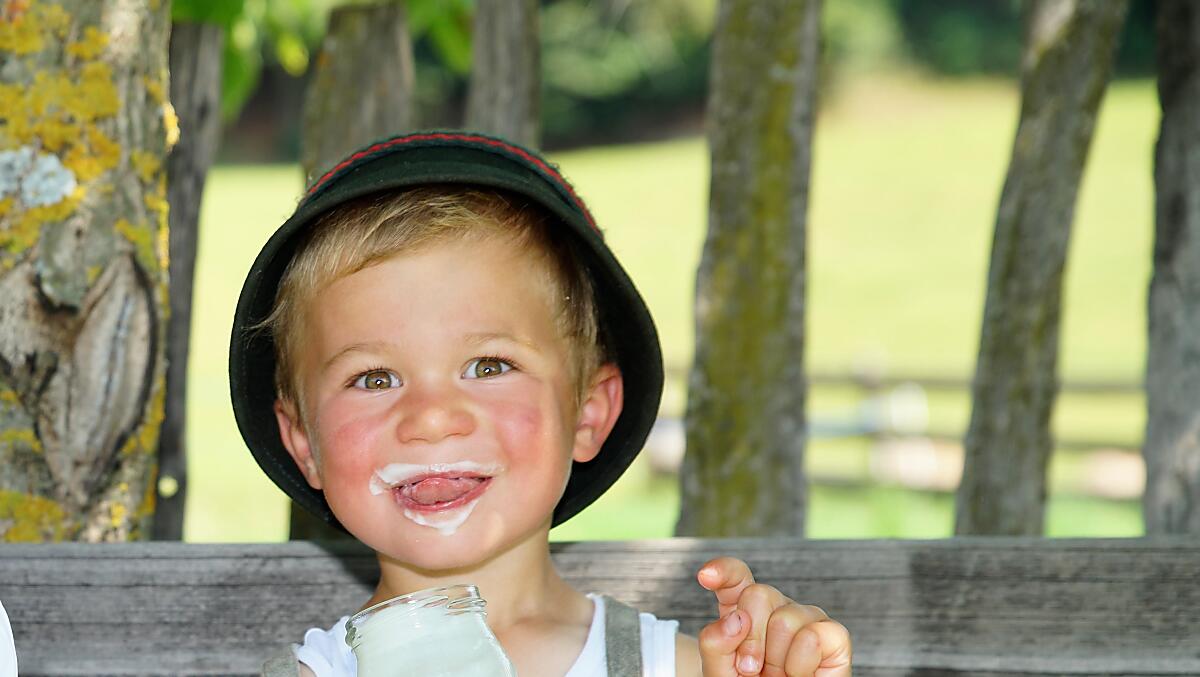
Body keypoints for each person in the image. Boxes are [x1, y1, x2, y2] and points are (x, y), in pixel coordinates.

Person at [230, 131, 851, 676]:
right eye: (373, 379)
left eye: (489, 366)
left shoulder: (683, 669)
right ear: (304, 443)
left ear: (588, 413)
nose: (432, 417)